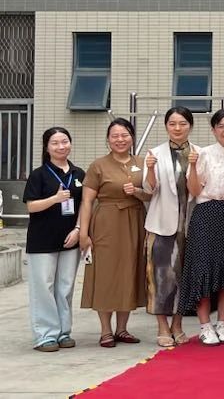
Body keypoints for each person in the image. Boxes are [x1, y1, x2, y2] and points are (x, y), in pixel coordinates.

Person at [78, 118, 148, 348]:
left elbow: (152, 193)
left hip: (135, 220)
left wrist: (137, 191)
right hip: (106, 223)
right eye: (115, 136)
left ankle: (122, 329)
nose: (120, 140)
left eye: (125, 135)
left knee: (129, 271)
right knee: (106, 274)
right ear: (108, 139)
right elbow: (87, 201)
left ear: (132, 137)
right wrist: (83, 233)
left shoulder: (142, 163)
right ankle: (106, 330)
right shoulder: (98, 165)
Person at [179, 109, 224, 346]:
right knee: (203, 269)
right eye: (221, 126)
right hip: (206, 213)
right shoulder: (203, 153)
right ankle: (205, 325)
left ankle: (222, 323)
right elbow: (194, 190)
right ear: (214, 130)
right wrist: (193, 166)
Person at [24, 127, 85, 352]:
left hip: (70, 239)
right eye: (55, 143)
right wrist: (55, 199)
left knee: (65, 287)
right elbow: (31, 206)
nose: (61, 146)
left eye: (65, 141)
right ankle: (45, 335)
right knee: (44, 287)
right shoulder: (39, 174)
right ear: (47, 147)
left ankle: (63, 332)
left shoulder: (79, 174)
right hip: (42, 240)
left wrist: (78, 229)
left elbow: (85, 204)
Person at [142, 106, 197, 347]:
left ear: (190, 126)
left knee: (184, 276)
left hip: (190, 223)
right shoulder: (154, 153)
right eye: (172, 123)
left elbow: (199, 189)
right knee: (161, 276)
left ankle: (178, 324)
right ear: (166, 126)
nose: (177, 128)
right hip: (161, 223)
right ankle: (162, 326)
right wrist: (150, 168)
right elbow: (148, 189)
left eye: (183, 123)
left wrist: (195, 165)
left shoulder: (199, 152)